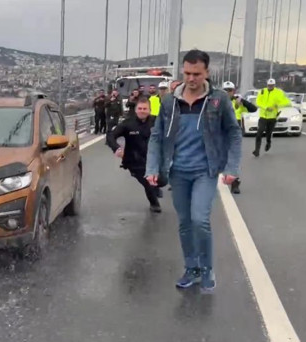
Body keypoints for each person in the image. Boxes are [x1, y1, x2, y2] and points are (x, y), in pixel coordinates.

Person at [146, 50, 241, 293]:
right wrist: (152, 168)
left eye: (196, 74)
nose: (191, 78)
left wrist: (232, 167)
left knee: (200, 219)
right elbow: (157, 136)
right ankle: (192, 268)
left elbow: (233, 133)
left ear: (206, 73)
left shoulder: (218, 100)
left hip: (205, 171)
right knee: (185, 223)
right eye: (187, 73)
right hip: (177, 171)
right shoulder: (169, 102)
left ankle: (207, 268)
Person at [107, 97, 162, 213]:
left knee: (162, 180)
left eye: (145, 109)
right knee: (147, 182)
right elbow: (111, 136)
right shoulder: (128, 124)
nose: (142, 111)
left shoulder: (156, 121)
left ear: (150, 110)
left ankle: (155, 187)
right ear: (136, 110)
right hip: (134, 161)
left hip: (153, 159)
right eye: (140, 108)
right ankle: (154, 203)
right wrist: (116, 148)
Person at [222, 81, 257, 194]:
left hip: (234, 133)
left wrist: (242, 102)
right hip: (220, 132)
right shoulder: (217, 102)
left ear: (234, 91)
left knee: (234, 158)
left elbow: (253, 109)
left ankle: (235, 183)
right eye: (225, 90)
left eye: (230, 90)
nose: (227, 93)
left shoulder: (238, 101)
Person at [253, 78, 291, 157]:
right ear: (267, 85)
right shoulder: (262, 91)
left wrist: (277, 106)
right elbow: (258, 102)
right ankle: (257, 150)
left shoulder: (278, 92)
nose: (270, 86)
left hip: (272, 117)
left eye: (271, 85)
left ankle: (268, 143)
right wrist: (266, 107)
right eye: (268, 85)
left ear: (274, 85)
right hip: (263, 116)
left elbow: (287, 102)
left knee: (268, 133)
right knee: (259, 132)